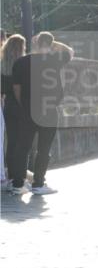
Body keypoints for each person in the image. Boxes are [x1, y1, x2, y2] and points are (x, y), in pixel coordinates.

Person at [8, 31, 74, 195]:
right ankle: (38, 184)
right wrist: (53, 43)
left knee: (22, 147)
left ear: (35, 44)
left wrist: (23, 105)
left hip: (27, 110)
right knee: (44, 149)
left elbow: (16, 88)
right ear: (50, 45)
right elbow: (70, 52)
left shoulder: (20, 62)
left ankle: (18, 184)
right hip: (49, 110)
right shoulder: (54, 59)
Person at [2, 34, 26, 188]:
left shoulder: (2, 66)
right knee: (23, 143)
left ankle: (11, 177)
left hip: (8, 107)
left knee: (11, 142)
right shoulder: (23, 65)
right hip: (23, 106)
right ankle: (20, 177)